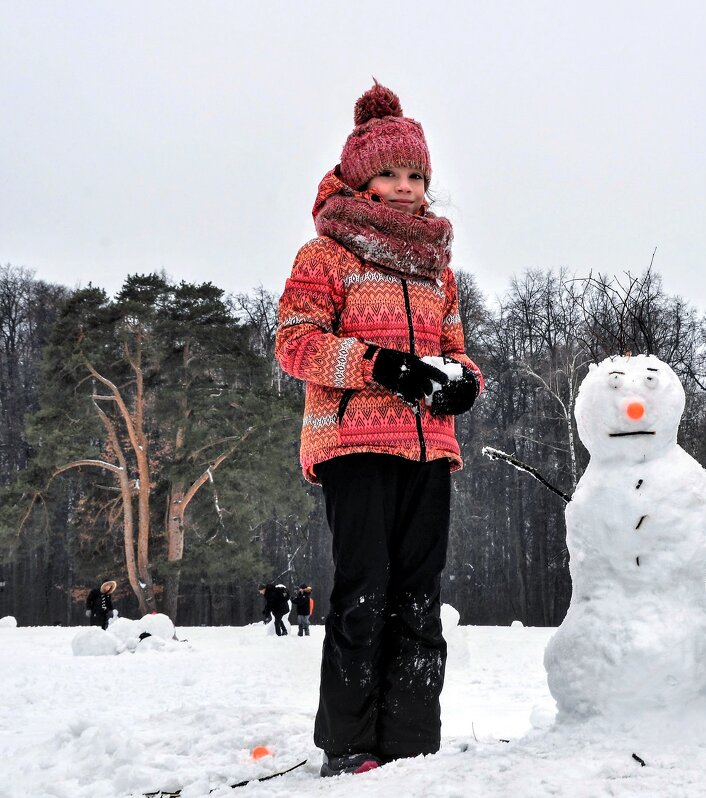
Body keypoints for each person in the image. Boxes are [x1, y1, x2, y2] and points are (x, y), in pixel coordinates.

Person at [275, 81, 482, 778]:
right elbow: (295, 343)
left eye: (415, 174)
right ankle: (349, 744)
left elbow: (456, 346)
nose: (403, 187)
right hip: (353, 444)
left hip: (429, 447)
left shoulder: (438, 267)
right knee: (365, 589)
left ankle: (411, 742)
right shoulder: (325, 256)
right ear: (361, 179)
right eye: (390, 174)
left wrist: (463, 380)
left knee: (421, 596)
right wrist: (383, 366)